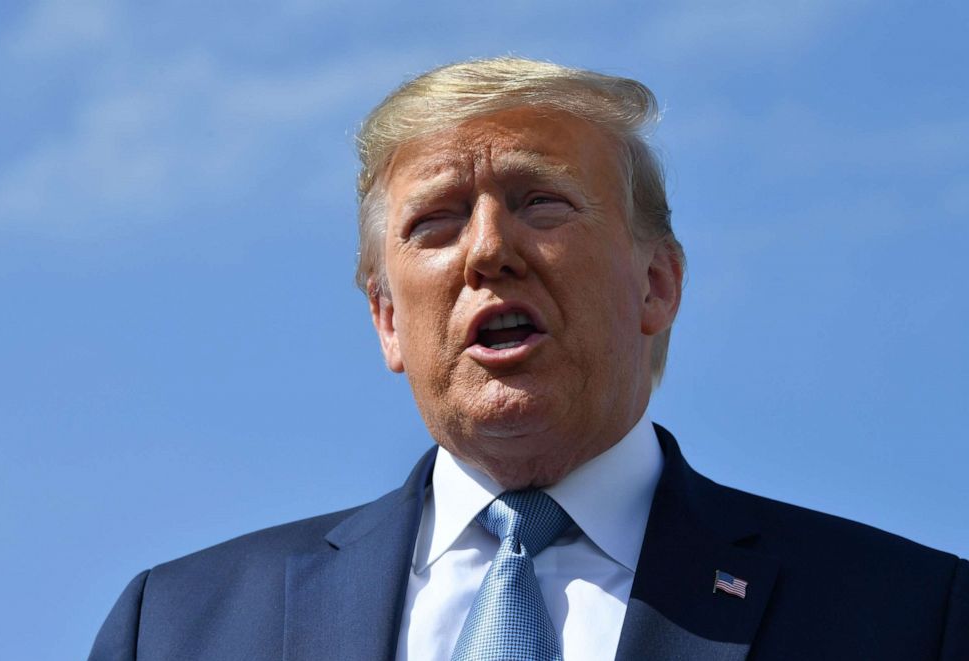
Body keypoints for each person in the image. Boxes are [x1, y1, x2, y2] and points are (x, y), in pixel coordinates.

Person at [90, 58, 968, 661]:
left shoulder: (907, 615)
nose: (487, 250)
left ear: (657, 284)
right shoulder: (176, 627)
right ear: (388, 318)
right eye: (435, 221)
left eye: (540, 202)